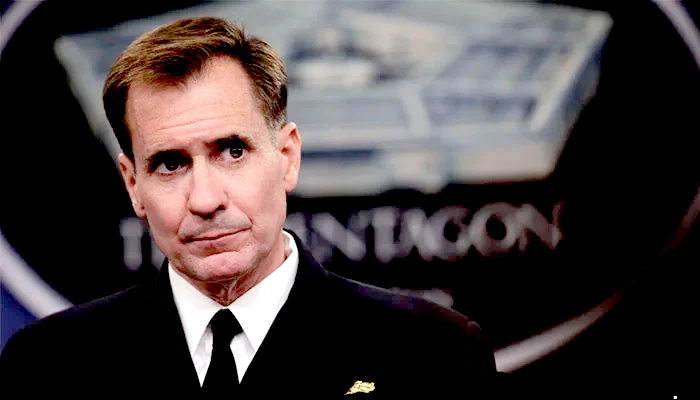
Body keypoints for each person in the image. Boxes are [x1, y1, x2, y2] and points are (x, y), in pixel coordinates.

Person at [0, 17, 495, 396]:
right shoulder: (50, 366)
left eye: (232, 151)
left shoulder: (432, 353)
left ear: (287, 157)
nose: (205, 200)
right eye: (170, 164)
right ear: (133, 184)